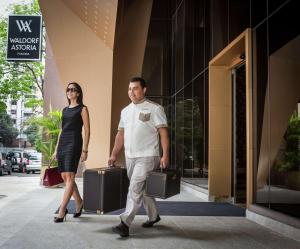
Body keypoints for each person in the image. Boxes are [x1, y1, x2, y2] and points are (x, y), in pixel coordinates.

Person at [108, 77, 169, 237]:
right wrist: (114, 153)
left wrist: (165, 154)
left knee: (134, 188)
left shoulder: (155, 109)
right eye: (129, 89)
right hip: (130, 156)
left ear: (144, 89)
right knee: (143, 191)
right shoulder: (125, 111)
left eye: (135, 88)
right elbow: (120, 135)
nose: (132, 92)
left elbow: (163, 133)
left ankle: (125, 223)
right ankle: (154, 216)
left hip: (148, 155)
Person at [53, 82, 90, 223]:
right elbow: (62, 130)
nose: (70, 91)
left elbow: (87, 130)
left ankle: (63, 210)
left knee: (69, 176)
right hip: (63, 143)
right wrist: (56, 148)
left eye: (73, 89)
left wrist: (85, 150)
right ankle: (79, 202)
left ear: (78, 93)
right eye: (68, 89)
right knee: (65, 177)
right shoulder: (64, 110)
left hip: (74, 143)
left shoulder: (83, 109)